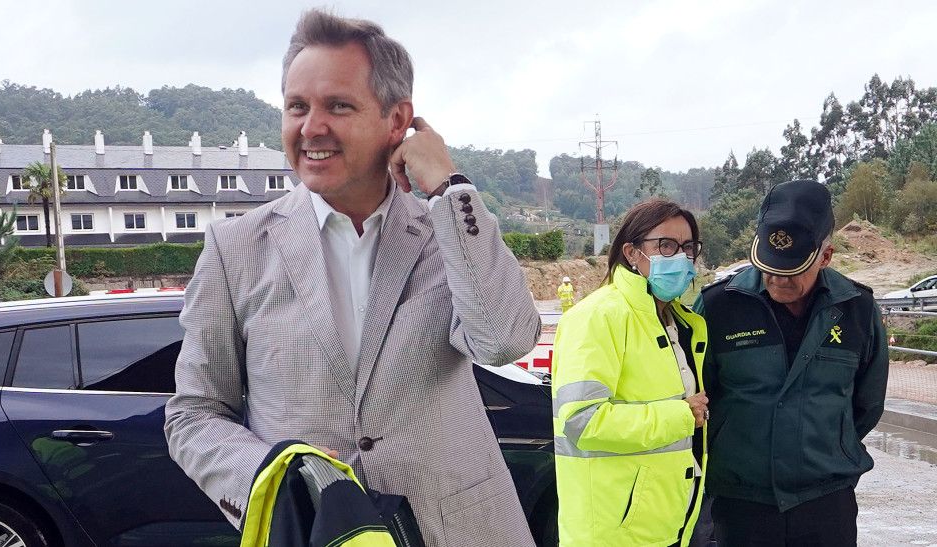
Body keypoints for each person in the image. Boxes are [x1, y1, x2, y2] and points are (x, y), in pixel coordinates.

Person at [163, 9, 541, 546]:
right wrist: (279, 477)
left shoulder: (448, 230)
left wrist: (451, 188)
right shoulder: (236, 248)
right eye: (297, 106)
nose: (311, 127)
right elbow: (195, 415)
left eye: (338, 106)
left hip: (461, 531)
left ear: (396, 121)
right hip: (318, 532)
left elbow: (504, 340)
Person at [696, 180, 888, 546]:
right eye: (767, 266)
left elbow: (867, 404)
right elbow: (698, 395)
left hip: (826, 502)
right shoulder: (718, 306)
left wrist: (829, 446)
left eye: (792, 269)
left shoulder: (857, 309)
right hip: (741, 502)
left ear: (826, 256)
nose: (776, 279)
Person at [552, 199, 710, 546]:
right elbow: (583, 421)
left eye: (688, 247)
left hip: (661, 528)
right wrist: (681, 416)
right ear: (632, 252)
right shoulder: (598, 317)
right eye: (665, 245)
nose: (680, 257)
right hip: (613, 533)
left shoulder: (679, 323)